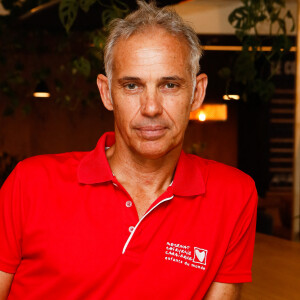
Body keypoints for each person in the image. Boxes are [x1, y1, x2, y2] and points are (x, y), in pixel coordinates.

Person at [0, 1, 257, 299]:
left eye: (169, 85)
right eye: (132, 86)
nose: (151, 108)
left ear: (196, 93)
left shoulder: (233, 195)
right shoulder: (30, 183)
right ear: (107, 93)